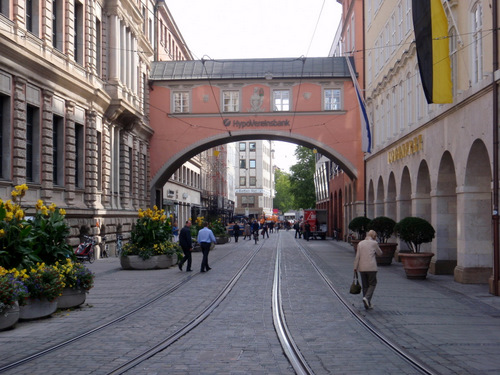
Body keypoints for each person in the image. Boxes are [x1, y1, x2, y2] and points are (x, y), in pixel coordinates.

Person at [353, 230, 382, 310]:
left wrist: (355, 267)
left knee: (365, 286)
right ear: (374, 236)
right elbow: (380, 253)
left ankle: (367, 304)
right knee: (372, 284)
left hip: (362, 268)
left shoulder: (360, 243)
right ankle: (367, 298)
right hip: (371, 267)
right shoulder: (374, 243)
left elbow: (357, 256)